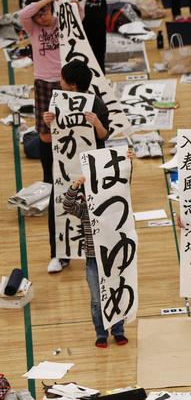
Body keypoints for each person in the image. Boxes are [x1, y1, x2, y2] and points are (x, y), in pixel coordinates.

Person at [43, 60, 110, 272]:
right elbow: (55, 129)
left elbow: (104, 135)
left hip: (92, 166)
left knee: (95, 208)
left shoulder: (96, 104)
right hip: (65, 166)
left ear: (72, 85)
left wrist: (97, 123)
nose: (59, 82)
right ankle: (59, 255)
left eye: (62, 79)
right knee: (60, 205)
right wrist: (48, 120)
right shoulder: (59, 101)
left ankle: (101, 250)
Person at [61, 153, 133, 348]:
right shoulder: (84, 209)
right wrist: (75, 186)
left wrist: (127, 163)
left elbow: (124, 188)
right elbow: (67, 205)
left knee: (116, 293)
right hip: (94, 260)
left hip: (114, 257)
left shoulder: (114, 207)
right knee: (96, 300)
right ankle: (100, 333)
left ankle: (118, 331)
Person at [17, 0, 63, 272]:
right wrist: (46, 0)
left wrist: (58, 3)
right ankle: (48, 179)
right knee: (45, 134)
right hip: (43, 82)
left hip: (64, 82)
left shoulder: (61, 21)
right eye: (40, 13)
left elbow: (78, 14)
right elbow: (21, 15)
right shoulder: (32, 25)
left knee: (66, 133)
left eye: (46, 13)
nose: (43, 18)